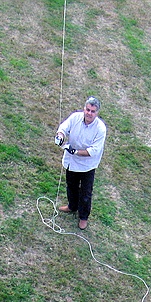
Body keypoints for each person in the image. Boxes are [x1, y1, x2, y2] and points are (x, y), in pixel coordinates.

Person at [54, 96, 108, 231]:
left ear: (97, 113)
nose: (89, 113)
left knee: (86, 192)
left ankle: (83, 217)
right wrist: (60, 135)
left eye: (93, 111)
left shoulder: (100, 128)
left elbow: (94, 151)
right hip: (72, 162)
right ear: (84, 109)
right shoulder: (75, 117)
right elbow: (64, 127)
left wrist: (76, 151)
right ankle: (72, 206)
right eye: (88, 110)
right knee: (71, 186)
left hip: (87, 165)